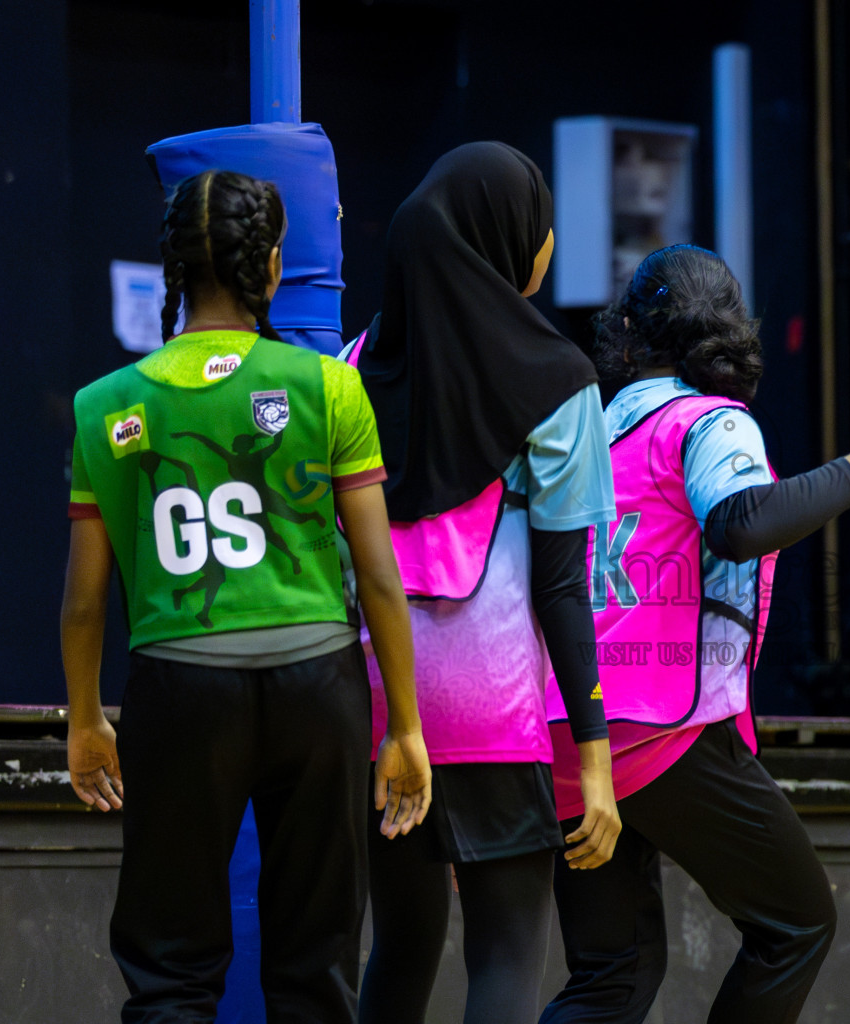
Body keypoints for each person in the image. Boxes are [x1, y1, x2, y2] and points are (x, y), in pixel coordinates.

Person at [541, 243, 850, 1024]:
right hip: (664, 733)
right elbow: (740, 524)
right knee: (796, 924)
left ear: (628, 331)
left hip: (574, 737)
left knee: (611, 976)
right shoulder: (707, 422)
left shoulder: (590, 433)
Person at [61, 169, 432, 1023]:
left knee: (170, 972)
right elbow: (378, 575)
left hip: (178, 692)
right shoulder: (330, 386)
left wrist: (85, 719)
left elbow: (83, 602)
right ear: (270, 266)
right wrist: (403, 726)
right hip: (319, 688)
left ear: (173, 274)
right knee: (316, 968)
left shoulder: (101, 407)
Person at [346, 142, 622, 1024]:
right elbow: (562, 589)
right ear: (506, 239)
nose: (544, 249)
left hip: (379, 707)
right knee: (506, 953)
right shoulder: (560, 382)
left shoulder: (352, 365)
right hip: (490, 711)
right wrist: (594, 758)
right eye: (539, 229)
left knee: (399, 947)